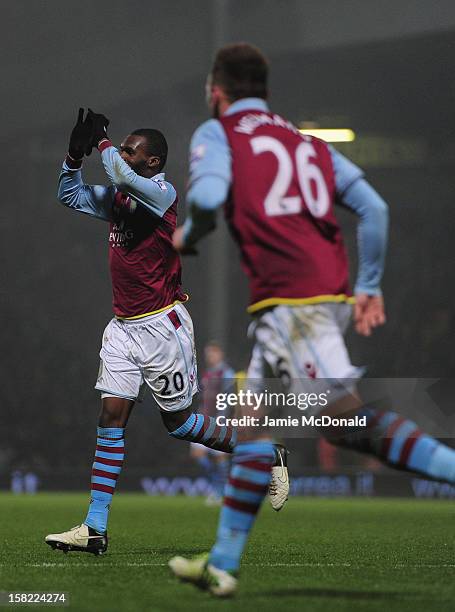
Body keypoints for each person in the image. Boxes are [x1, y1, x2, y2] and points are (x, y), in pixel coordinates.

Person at [169, 43, 455, 597]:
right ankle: (222, 564)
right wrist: (368, 285)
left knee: (345, 423)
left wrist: (190, 235)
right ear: (266, 91)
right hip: (312, 299)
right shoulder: (308, 143)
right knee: (251, 428)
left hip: (296, 304)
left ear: (216, 90)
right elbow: (375, 207)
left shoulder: (218, 133)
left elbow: (207, 193)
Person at [44, 109, 243, 556]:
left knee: (179, 424)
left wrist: (102, 142)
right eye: (124, 148)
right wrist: (74, 154)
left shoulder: (163, 193)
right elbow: (68, 195)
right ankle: (95, 528)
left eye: (134, 151)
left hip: (162, 327)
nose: (124, 155)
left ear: (153, 163)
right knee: (111, 419)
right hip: (122, 329)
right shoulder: (118, 199)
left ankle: (260, 454)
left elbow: (116, 168)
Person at [190, 341, 235, 504]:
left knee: (220, 457)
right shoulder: (207, 373)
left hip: (219, 421)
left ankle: (222, 491)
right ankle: (218, 485)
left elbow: (229, 400)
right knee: (197, 454)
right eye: (207, 353)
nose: (209, 356)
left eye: (212, 353)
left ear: (220, 354)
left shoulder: (227, 373)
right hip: (203, 419)